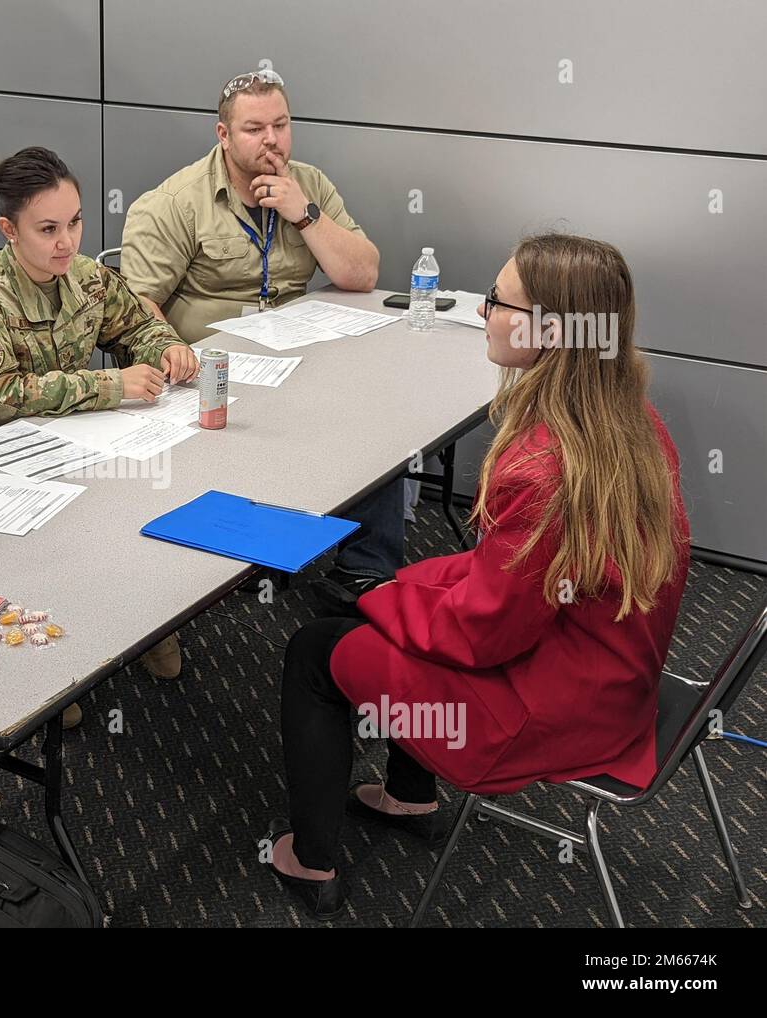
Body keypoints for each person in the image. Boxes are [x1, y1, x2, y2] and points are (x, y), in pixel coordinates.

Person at [265, 234, 691, 920]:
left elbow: (481, 634)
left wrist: (384, 600)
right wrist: (401, 592)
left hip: (541, 714)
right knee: (381, 611)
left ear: (548, 330)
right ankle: (410, 797)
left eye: (497, 300)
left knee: (315, 649)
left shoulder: (543, 466)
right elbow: (505, 583)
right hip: (612, 683)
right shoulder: (630, 425)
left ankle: (310, 862)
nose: (485, 310)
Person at [0, 147, 198, 709]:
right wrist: (110, 386)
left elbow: (137, 323)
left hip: (55, 440)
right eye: (47, 229)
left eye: (74, 223)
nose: (66, 241)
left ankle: (138, 622)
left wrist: (167, 348)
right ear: (9, 230)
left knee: (138, 495)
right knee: (57, 530)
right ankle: (46, 668)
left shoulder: (85, 278)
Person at [119, 69, 400, 610]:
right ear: (223, 135)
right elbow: (134, 307)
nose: (271, 140)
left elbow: (362, 274)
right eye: (254, 129)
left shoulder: (309, 185)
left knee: (378, 418)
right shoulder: (175, 203)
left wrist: (305, 214)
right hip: (211, 375)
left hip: (295, 360)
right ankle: (244, 558)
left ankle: (366, 570)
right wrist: (172, 353)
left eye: (281, 125)